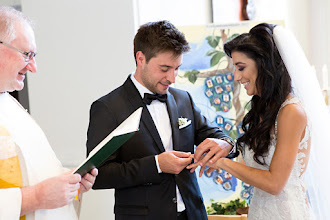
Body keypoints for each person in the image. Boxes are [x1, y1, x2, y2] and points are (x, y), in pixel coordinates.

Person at [86, 20, 237, 220]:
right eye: (165, 68)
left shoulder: (183, 99)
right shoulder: (107, 107)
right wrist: (156, 165)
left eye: (177, 68)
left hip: (193, 214)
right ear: (141, 59)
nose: (172, 78)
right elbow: (98, 175)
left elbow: (216, 136)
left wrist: (225, 143)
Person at [188, 23, 330, 219]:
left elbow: (275, 183)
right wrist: (224, 148)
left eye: (241, 67)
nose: (236, 77)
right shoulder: (262, 110)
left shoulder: (292, 112)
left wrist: (221, 163)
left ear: (264, 65)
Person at [0, 6, 98, 220]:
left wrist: (69, 182)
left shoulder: (9, 103)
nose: (33, 67)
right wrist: (35, 197)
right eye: (27, 54)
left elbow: (31, 169)